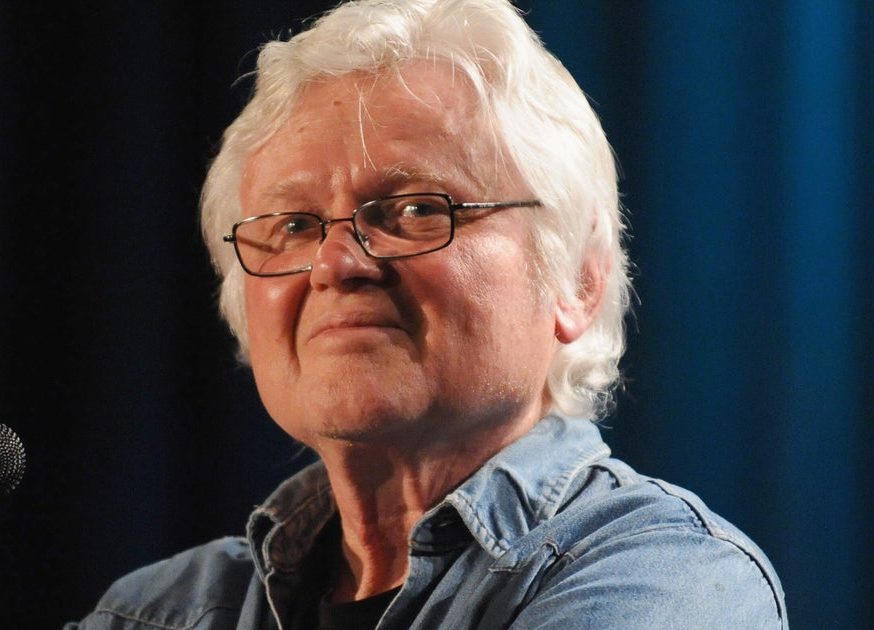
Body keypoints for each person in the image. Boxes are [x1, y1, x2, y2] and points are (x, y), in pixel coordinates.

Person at [69, 0, 788, 627]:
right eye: (292, 225)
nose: (334, 264)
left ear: (577, 280)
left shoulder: (664, 579)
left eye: (415, 210)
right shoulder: (160, 612)